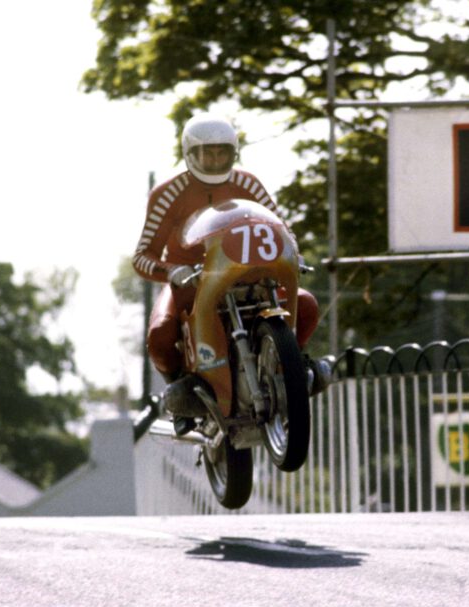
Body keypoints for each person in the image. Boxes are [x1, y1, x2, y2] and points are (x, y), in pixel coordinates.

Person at [132, 113, 328, 434]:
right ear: (189, 154)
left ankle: (293, 365)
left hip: (248, 273)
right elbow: (142, 257)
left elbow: (279, 227)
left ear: (234, 152)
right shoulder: (167, 194)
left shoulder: (248, 183)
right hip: (191, 280)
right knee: (160, 334)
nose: (214, 160)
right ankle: (181, 387)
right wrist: (173, 270)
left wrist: (292, 251)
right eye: (206, 153)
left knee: (305, 305)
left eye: (222, 152)